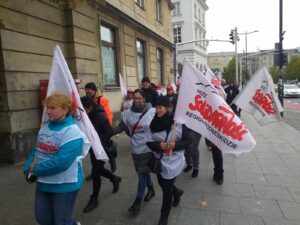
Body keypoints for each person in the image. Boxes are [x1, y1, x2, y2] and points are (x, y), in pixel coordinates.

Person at [23, 93, 85, 225]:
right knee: (43, 219)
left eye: (52, 108)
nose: (48, 111)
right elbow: (37, 150)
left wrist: (35, 170)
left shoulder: (73, 132)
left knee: (61, 221)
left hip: (65, 184)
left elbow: (61, 162)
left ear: (65, 110)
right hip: (44, 182)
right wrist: (27, 167)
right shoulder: (45, 128)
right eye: (47, 108)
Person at [146, 96, 191, 225]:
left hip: (174, 162)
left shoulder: (178, 123)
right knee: (162, 184)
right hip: (159, 161)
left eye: (160, 107)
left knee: (166, 190)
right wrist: (159, 146)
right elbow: (149, 142)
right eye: (157, 108)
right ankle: (177, 193)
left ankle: (163, 218)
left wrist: (175, 145)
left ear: (167, 108)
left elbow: (188, 141)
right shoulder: (153, 124)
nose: (158, 110)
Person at [113, 89, 156, 215]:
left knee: (142, 174)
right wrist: (107, 133)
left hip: (148, 148)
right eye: (135, 98)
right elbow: (121, 127)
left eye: (139, 98)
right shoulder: (128, 114)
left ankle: (138, 201)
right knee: (142, 172)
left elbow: (161, 125)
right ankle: (152, 189)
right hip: (135, 148)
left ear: (144, 99)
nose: (137, 100)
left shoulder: (152, 112)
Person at [80, 96, 122, 213]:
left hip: (102, 148)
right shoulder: (88, 114)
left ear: (89, 107)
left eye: (84, 109)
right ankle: (114, 178)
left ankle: (94, 199)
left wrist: (98, 143)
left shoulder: (100, 116)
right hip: (93, 149)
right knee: (98, 170)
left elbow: (109, 132)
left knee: (95, 172)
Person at [85, 82, 114, 180]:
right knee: (94, 156)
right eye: (86, 89)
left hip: (101, 131)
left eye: (90, 89)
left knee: (100, 153)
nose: (87, 91)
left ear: (94, 90)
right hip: (92, 132)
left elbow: (108, 114)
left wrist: (107, 128)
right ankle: (96, 173)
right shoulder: (86, 100)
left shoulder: (102, 99)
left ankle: (111, 158)